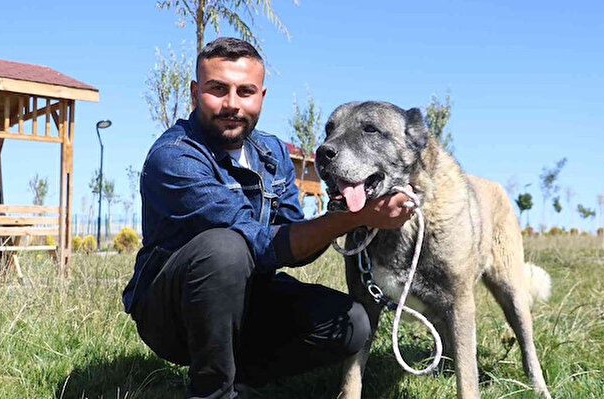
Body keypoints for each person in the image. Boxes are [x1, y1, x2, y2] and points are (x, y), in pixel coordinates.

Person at [122, 37, 414, 399]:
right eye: (218, 89)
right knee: (225, 248)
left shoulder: (271, 152)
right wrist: (354, 218)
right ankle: (212, 392)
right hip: (173, 315)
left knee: (352, 324)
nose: (232, 104)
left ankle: (240, 380)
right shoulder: (175, 158)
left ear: (261, 96)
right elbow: (261, 245)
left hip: (247, 299)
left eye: (245, 91)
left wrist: (350, 201)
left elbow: (297, 247)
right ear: (196, 92)